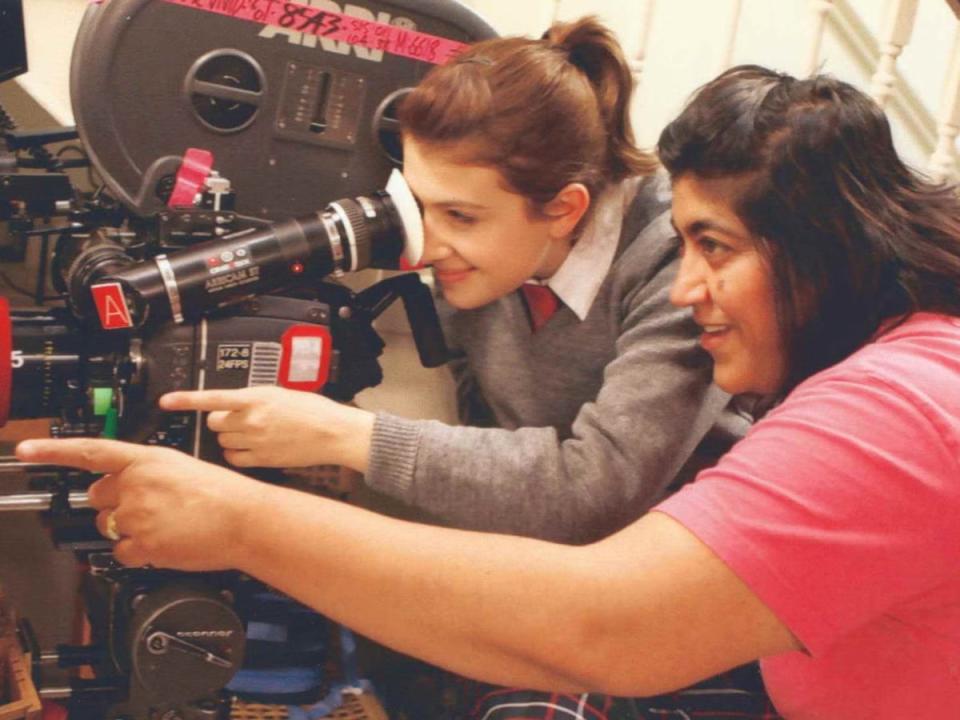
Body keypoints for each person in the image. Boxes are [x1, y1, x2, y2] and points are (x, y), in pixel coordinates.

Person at [20, 64, 960, 718]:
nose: (684, 286)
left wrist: (241, 521)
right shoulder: (884, 371)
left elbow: (609, 623)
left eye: (713, 247)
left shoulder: (900, 407)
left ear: (817, 249)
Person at [156, 16, 744, 549]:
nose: (425, 247)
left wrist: (346, 436)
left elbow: (591, 490)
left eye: (460, 216)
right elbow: (491, 460)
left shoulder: (681, 260)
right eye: (419, 206)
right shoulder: (489, 266)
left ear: (565, 209)